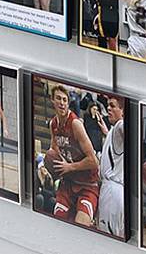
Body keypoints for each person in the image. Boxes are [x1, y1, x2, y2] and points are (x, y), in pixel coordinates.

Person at [45, 83, 100, 227]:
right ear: (52, 101)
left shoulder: (75, 124)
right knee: (59, 223)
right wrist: (51, 167)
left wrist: (70, 167)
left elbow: (94, 161)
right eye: (58, 99)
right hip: (68, 184)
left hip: (87, 184)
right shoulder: (53, 124)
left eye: (65, 100)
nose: (62, 103)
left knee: (81, 225)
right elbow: (54, 149)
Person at [96, 94, 125, 236]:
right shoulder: (113, 131)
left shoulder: (120, 125)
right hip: (116, 192)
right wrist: (106, 132)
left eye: (112, 105)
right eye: (108, 105)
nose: (108, 108)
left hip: (112, 192)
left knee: (107, 238)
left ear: (123, 111)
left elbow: (124, 128)